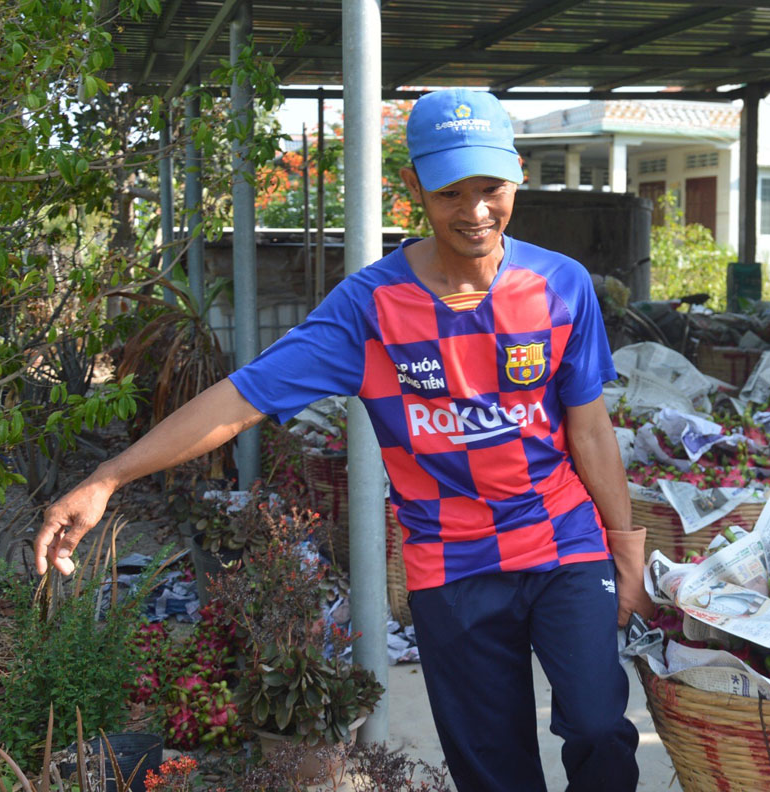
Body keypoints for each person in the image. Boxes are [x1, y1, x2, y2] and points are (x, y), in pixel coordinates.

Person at [34, 88, 656, 792]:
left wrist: (625, 545)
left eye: (491, 188)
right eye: (451, 192)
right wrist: (108, 477)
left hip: (562, 541)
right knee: (492, 768)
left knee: (600, 728)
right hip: (451, 564)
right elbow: (242, 398)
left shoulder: (561, 285)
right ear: (413, 186)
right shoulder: (369, 308)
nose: (476, 210)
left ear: (517, 173)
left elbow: (589, 428)